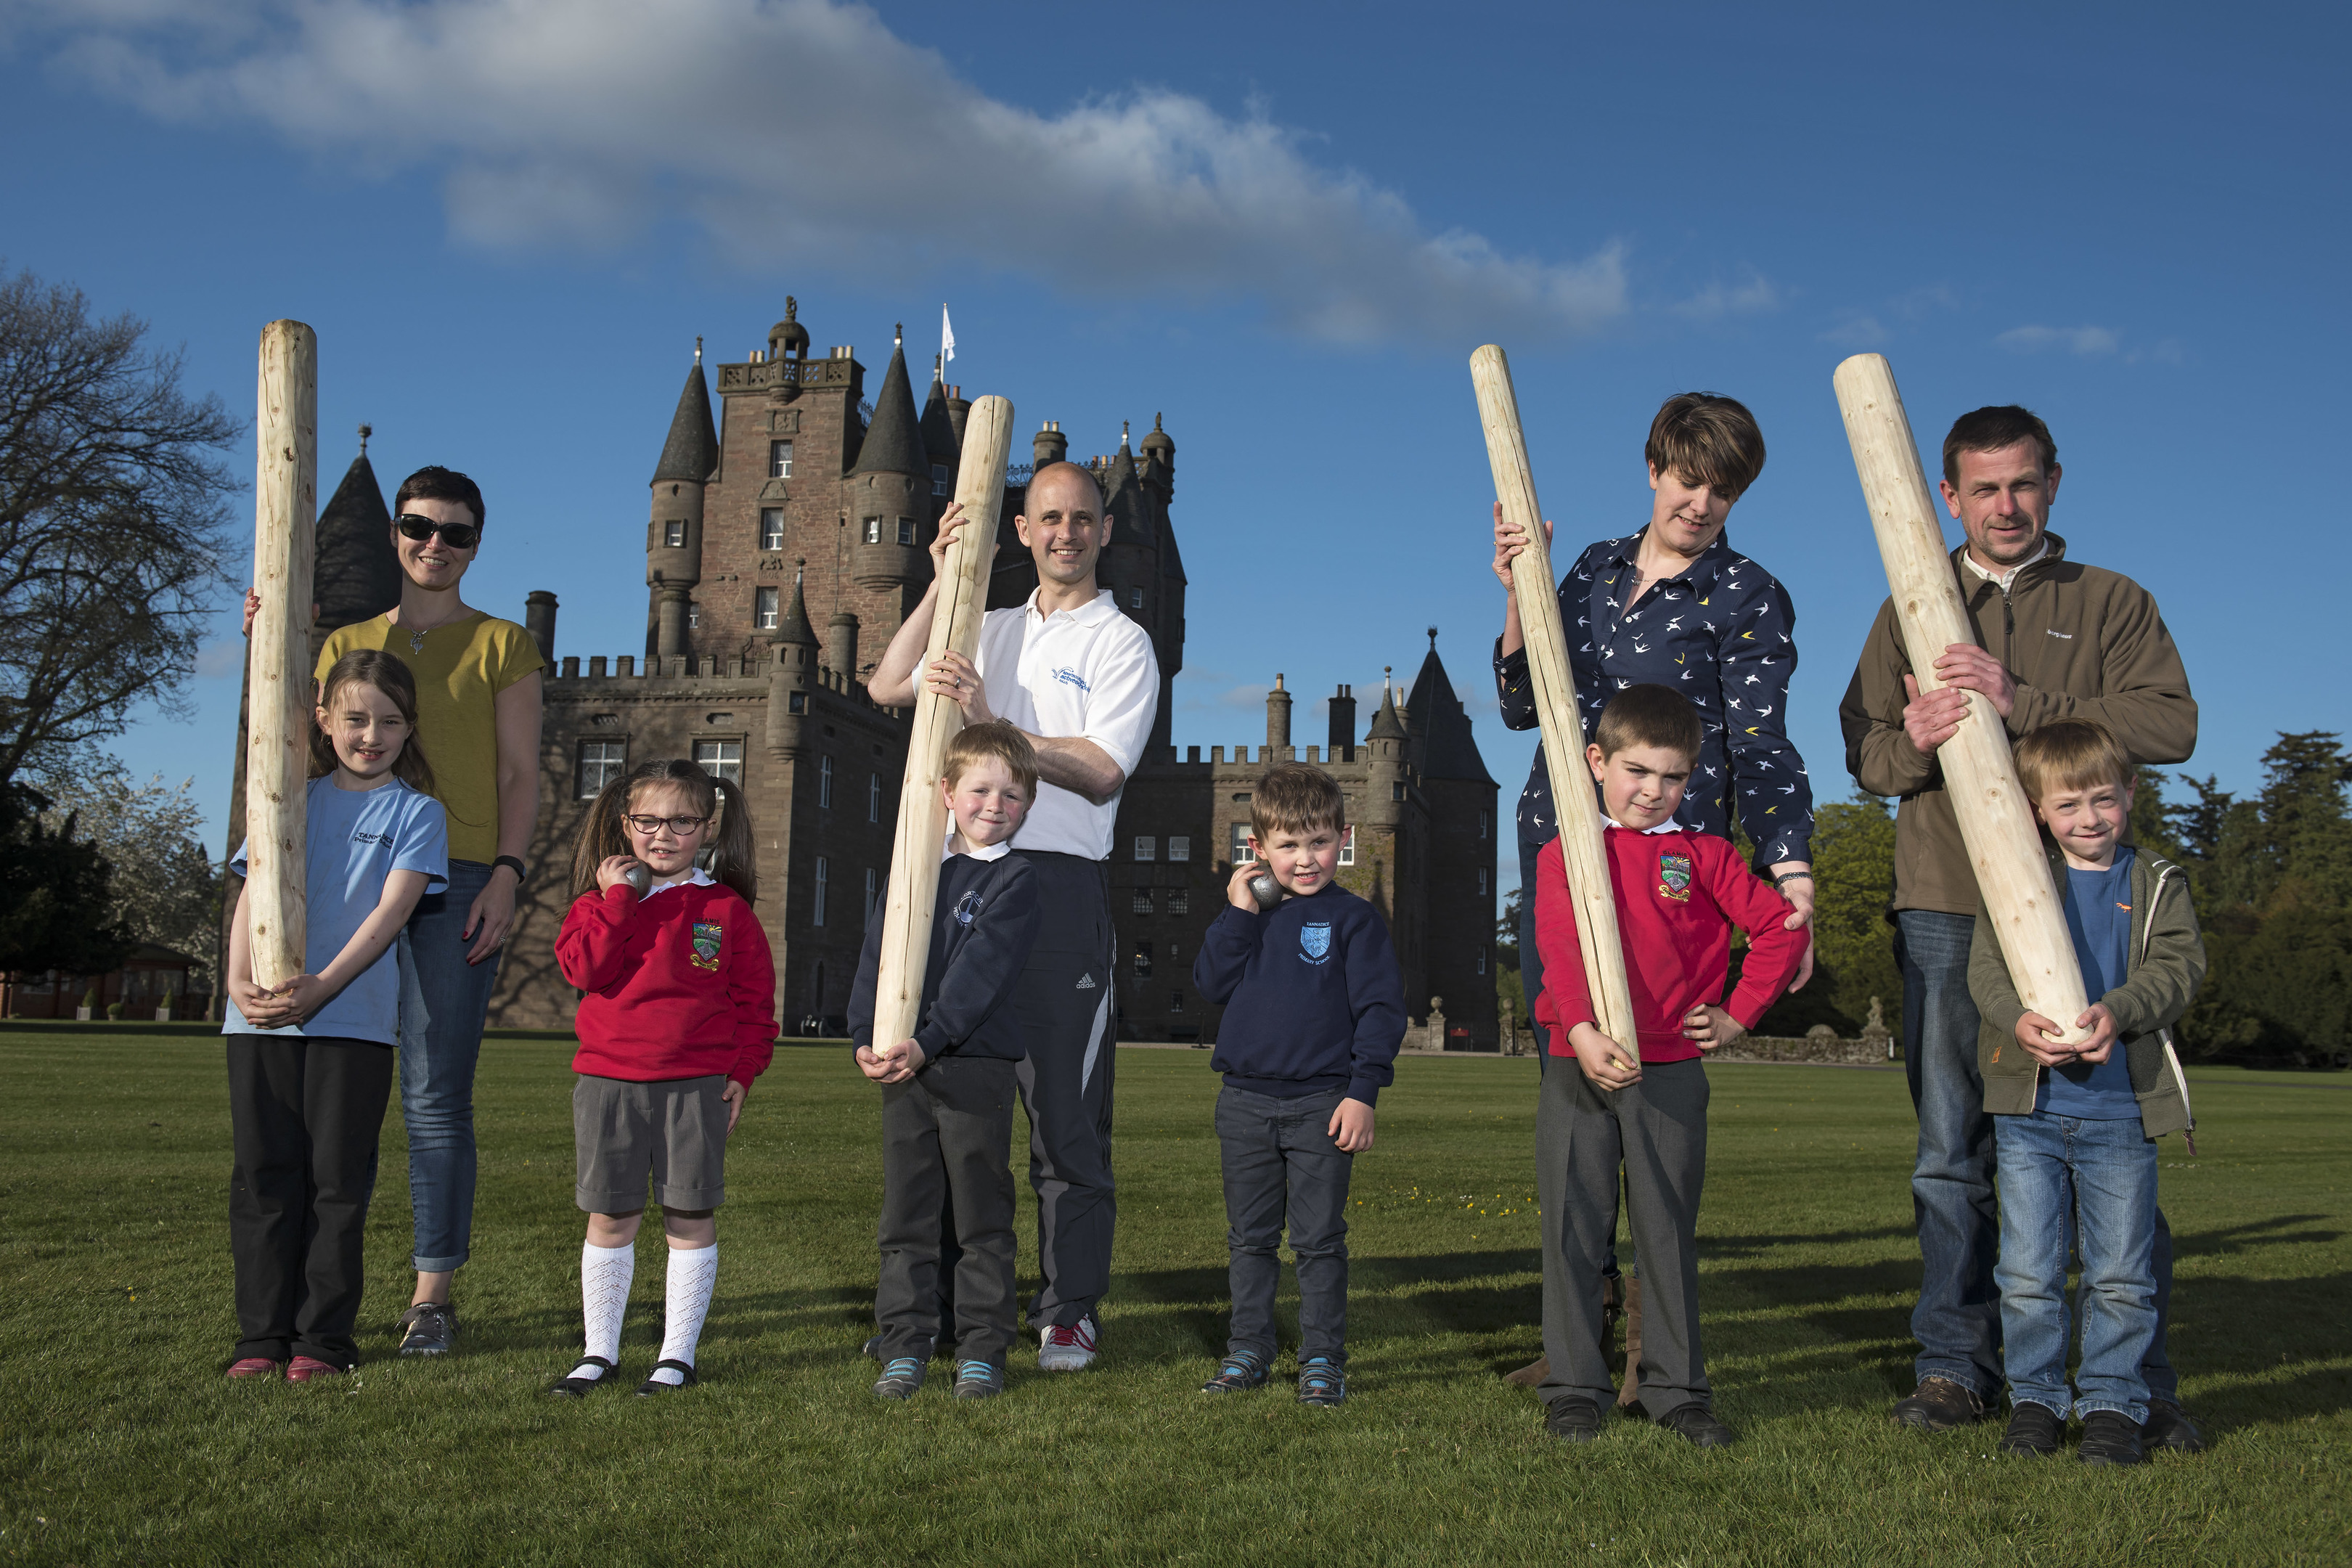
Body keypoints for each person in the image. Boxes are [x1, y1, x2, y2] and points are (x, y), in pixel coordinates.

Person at [1839, 407, 2201, 1447]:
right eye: (1983, 488)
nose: (2006, 506)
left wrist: (2024, 697)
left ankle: (2138, 1382)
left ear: (2053, 484)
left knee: (2116, 1145)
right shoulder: (1909, 602)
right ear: (1946, 497)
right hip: (1950, 907)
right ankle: (1961, 1369)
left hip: (2089, 912)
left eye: (2023, 485)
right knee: (1954, 1153)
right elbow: (1865, 754)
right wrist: (1909, 737)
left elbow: (2171, 723)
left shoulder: (2110, 600)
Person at [1491, 391, 1816, 1396]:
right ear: (1654, 468)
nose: (1703, 501)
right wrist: (1517, 588)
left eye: (1725, 488)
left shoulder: (1749, 594)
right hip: (1562, 845)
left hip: (1673, 877)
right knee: (1575, 1106)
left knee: (1652, 1115)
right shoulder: (1587, 567)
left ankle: (1649, 1354)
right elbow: (1519, 704)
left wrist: (1791, 868)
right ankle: (1575, 1346)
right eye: (1688, 477)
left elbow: (1758, 744)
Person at [868, 463, 1160, 1371]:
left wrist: (994, 726)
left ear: (1104, 533)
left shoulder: (1123, 641)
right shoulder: (985, 625)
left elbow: (1104, 769)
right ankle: (960, 1309)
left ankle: (1068, 1309)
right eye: (1047, 519)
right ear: (1024, 531)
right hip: (964, 876)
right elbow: (887, 684)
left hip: (1062, 885)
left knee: (1065, 1116)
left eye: (1081, 519)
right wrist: (944, 573)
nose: (1065, 533)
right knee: (959, 1104)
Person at [1528, 684, 1806, 1447]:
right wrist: (1580, 1029)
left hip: (1672, 1068)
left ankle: (1676, 1389)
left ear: (1693, 779)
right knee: (1574, 1227)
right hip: (1577, 1061)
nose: (1653, 791)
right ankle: (1574, 1385)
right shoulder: (1567, 852)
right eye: (1637, 772)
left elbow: (1781, 930)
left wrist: (1739, 1012)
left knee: (1666, 1232)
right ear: (1597, 762)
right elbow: (1558, 946)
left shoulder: (1705, 855)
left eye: (1672, 777)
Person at [317, 466, 545, 1355]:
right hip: (354, 875)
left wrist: (508, 873)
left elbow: (522, 773)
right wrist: (266, 640)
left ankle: (431, 1300)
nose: (434, 545)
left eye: (454, 533)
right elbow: (308, 750)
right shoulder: (342, 641)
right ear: (395, 532)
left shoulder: (503, 645)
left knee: (434, 1098)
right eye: (419, 527)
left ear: (476, 545)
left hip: (457, 881)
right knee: (340, 1095)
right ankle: (321, 1294)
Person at [1968, 719, 2205, 1466]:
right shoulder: (2015, 878)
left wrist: (2122, 1010)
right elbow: (1987, 975)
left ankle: (2112, 1407)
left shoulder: (2157, 881)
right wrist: (2019, 1019)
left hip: (2120, 1116)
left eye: (2103, 800)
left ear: (2129, 794)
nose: (2089, 819)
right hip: (2032, 1115)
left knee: (2121, 1277)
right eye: (2069, 806)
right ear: (2039, 810)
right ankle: (2035, 1401)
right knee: (2029, 1274)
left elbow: (2179, 971)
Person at [221, 650, 448, 1381]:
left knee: (335, 1180)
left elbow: (392, 912)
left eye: (389, 722)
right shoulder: (286, 797)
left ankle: (322, 1340)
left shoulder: (417, 813)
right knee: (265, 1174)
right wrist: (234, 978)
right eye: (354, 718)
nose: (370, 736)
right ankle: (261, 1335)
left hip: (352, 1020)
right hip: (260, 1020)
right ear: (323, 721)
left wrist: (325, 985)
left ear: (411, 729)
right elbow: (255, 888)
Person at [547, 759, 775, 1397]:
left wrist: (743, 1073)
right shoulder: (597, 905)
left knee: (688, 1217)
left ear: (707, 828)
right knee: (610, 1219)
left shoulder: (724, 911)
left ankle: (677, 1356)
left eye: (681, 822)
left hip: (695, 1086)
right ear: (625, 825)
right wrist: (621, 899)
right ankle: (599, 1353)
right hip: (607, 1084)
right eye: (648, 821)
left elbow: (756, 1007)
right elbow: (585, 971)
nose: (663, 834)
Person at [1190, 764, 1405, 1408]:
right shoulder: (1245, 915)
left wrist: (1363, 1092)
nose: (1305, 859)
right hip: (1246, 1102)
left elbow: (1381, 1012)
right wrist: (1238, 913)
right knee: (1249, 1240)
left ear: (1343, 837)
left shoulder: (1355, 920)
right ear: (1258, 849)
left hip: (1323, 1104)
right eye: (1288, 845)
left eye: (1318, 843)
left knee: (1317, 1242)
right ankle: (1249, 1350)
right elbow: (1210, 984)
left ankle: (1320, 1359)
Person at [849, 722, 1043, 1402]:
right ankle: (906, 1343)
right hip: (904, 1068)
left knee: (980, 1216)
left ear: (1029, 804)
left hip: (973, 1070)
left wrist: (929, 1040)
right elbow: (877, 956)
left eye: (1013, 795)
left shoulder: (1017, 879)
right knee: (908, 1215)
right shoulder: (914, 867)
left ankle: (983, 1348)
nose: (996, 805)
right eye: (981, 789)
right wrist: (863, 1038)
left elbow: (980, 975)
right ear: (947, 794)